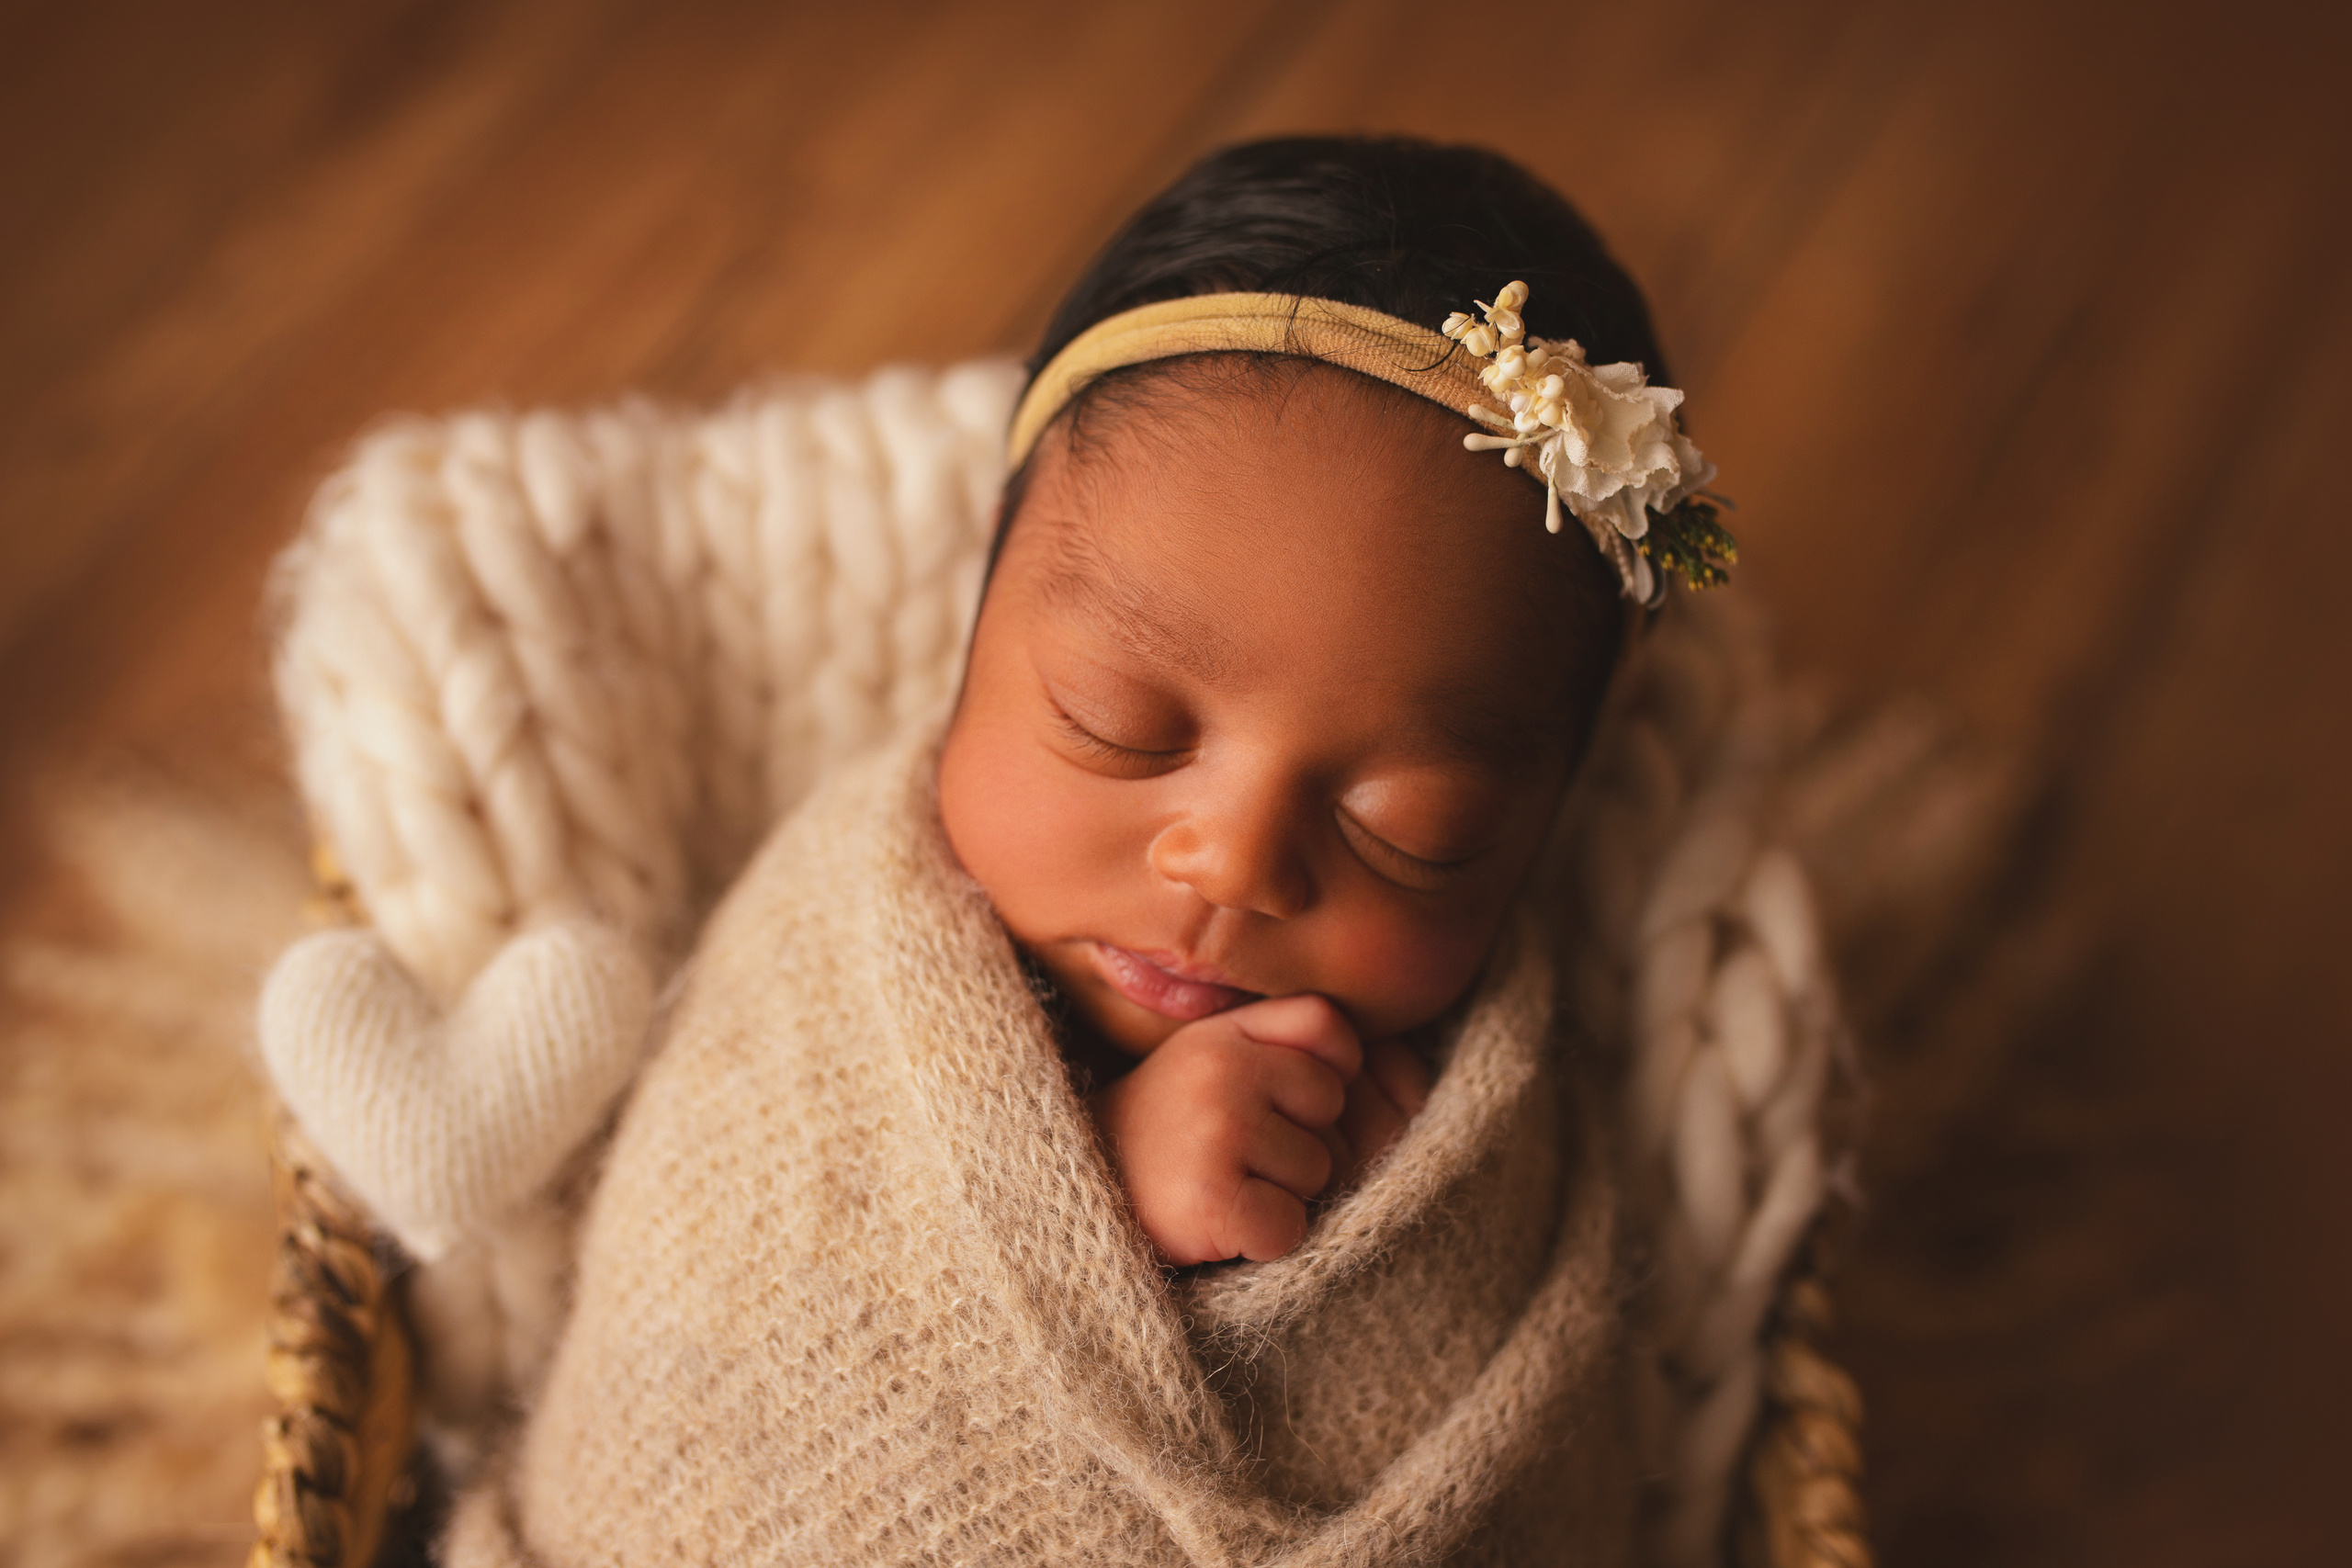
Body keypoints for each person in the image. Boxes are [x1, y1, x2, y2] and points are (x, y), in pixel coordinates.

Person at [442, 135, 1737, 1567]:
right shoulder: (831, 967)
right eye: (1116, 725)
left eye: (1410, 830)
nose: (1235, 863)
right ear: (974, 627)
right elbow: (719, 1321)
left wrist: (1353, 1231)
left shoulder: (1469, 1128)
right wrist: (1106, 1203)